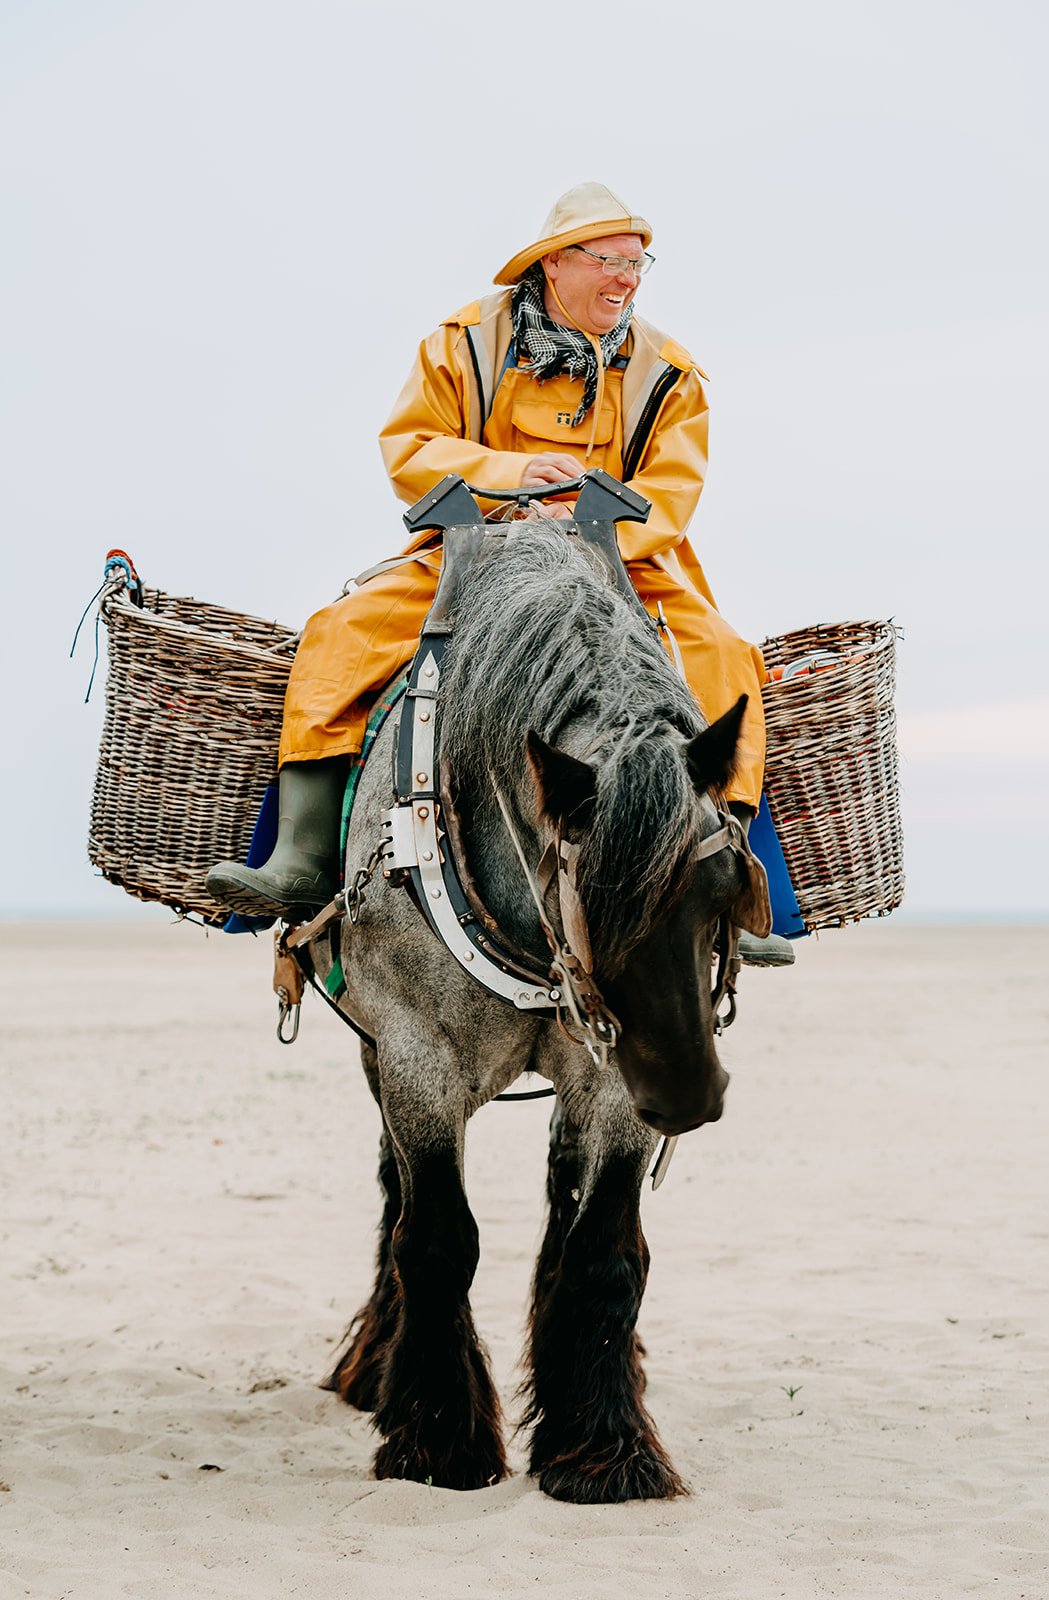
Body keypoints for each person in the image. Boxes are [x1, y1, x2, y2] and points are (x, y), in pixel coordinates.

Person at [207, 182, 793, 966]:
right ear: (556, 263)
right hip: (474, 549)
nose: (626, 281)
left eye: (637, 265)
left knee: (724, 657)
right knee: (339, 633)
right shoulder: (460, 343)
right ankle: (304, 855)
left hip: (621, 561)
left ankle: (728, 878)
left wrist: (590, 517)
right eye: (609, 263)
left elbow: (670, 495)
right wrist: (514, 477)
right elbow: (411, 452)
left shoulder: (670, 373)